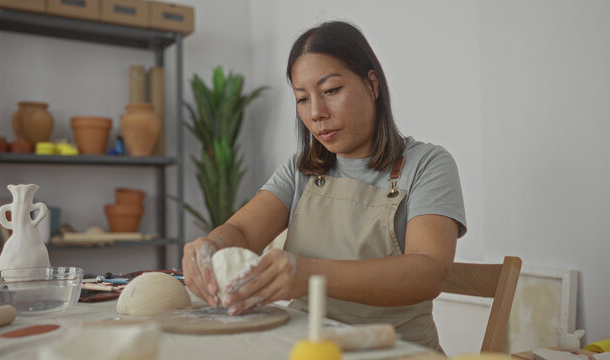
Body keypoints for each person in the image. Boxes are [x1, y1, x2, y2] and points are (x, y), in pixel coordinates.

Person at [182, 20, 466, 350]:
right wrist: (213, 245)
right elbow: (242, 233)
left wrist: (309, 274)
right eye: (303, 99)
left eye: (331, 91)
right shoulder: (301, 170)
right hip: (306, 347)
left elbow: (427, 271)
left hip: (395, 351)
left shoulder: (427, 165)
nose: (317, 112)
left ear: (372, 85)